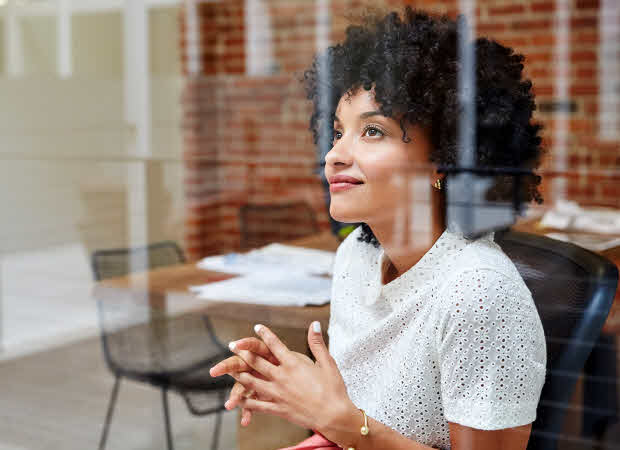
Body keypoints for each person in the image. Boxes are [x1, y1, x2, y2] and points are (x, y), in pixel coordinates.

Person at [209, 6, 548, 450]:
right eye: (337, 132)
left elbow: (353, 425)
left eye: (372, 131)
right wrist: (295, 387)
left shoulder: (477, 292)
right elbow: (359, 412)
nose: (334, 155)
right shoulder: (357, 256)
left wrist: (340, 420)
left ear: (444, 160)